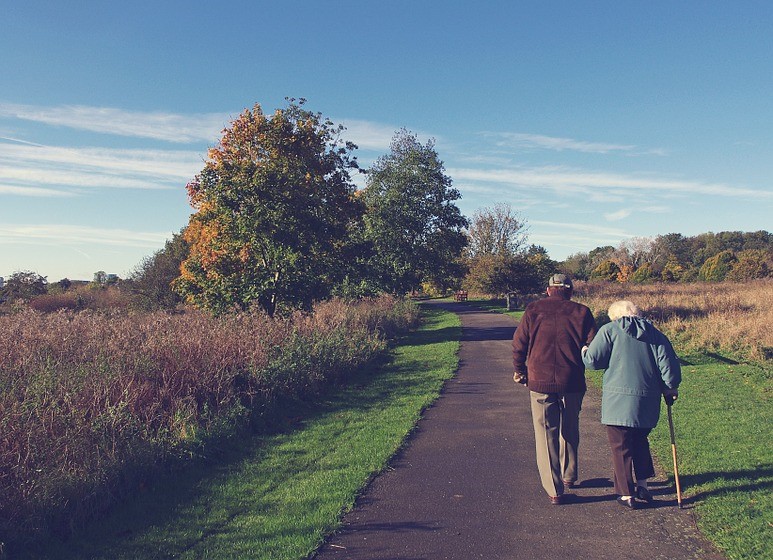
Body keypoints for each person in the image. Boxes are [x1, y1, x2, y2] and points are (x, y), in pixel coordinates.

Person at [582, 300, 681, 509]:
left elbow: (593, 361)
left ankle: (626, 493)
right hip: (647, 400)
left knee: (621, 446)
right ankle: (643, 485)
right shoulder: (655, 334)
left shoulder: (609, 330)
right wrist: (670, 388)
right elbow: (669, 368)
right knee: (640, 441)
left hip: (618, 401)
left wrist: (584, 351)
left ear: (615, 316)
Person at [512, 273, 597, 505]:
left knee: (545, 433)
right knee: (570, 427)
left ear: (548, 290)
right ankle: (569, 475)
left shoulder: (533, 310)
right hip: (572, 381)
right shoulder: (582, 312)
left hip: (540, 380)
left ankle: (554, 489)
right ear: (570, 291)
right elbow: (593, 346)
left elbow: (519, 344)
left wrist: (520, 370)